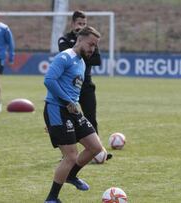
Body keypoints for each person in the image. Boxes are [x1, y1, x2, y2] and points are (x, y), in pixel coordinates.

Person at [43, 26, 103, 203]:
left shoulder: (82, 62)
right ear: (80, 39)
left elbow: (72, 91)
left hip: (72, 111)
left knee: (96, 147)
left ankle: (71, 176)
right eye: (91, 44)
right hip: (57, 109)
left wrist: (74, 107)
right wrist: (67, 102)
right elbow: (49, 81)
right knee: (70, 156)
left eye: (95, 46)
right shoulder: (65, 56)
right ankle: (52, 198)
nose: (92, 49)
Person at [58, 10, 112, 160]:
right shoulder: (64, 39)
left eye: (84, 23)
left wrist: (82, 51)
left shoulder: (91, 40)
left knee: (91, 117)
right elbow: (68, 56)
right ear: (72, 24)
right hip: (69, 86)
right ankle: (67, 154)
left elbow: (97, 61)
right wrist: (81, 48)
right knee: (68, 120)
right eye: (79, 23)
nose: (81, 26)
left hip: (86, 85)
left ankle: (98, 152)